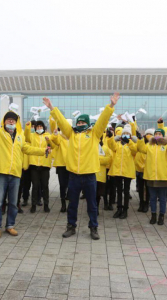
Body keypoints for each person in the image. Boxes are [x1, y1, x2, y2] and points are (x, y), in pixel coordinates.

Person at [43, 93, 119, 240]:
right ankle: (71, 226)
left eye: (82, 123)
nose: (80, 125)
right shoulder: (71, 134)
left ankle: (93, 227)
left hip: (90, 175)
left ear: (88, 123)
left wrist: (111, 106)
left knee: (92, 204)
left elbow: (103, 120)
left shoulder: (94, 134)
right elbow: (62, 121)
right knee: (72, 203)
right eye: (78, 123)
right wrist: (51, 108)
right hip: (74, 176)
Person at [0, 106, 47, 238]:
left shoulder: (20, 136)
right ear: (4, 121)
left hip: (15, 174)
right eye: (8, 120)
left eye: (13, 120)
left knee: (13, 203)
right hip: (0, 173)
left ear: (16, 122)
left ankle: (10, 225)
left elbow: (27, 149)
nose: (11, 122)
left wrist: (43, 151)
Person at [137, 120, 167, 226]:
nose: (157, 135)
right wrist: (140, 138)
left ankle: (161, 216)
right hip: (151, 176)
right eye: (156, 134)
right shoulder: (150, 146)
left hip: (164, 177)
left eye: (159, 134)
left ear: (163, 136)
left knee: (162, 198)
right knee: (152, 198)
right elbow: (141, 148)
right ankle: (153, 215)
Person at [107, 124, 137, 219]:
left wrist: (130, 142)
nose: (126, 135)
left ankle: (125, 210)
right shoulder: (118, 145)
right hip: (118, 171)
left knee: (126, 191)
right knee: (119, 191)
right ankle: (119, 209)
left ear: (130, 135)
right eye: (124, 134)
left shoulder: (132, 144)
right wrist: (111, 137)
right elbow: (111, 145)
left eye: (128, 134)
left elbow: (135, 151)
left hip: (127, 171)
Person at [25, 120, 52, 213]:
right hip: (34, 165)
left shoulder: (48, 136)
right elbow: (26, 136)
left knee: (45, 186)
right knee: (35, 186)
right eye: (37, 127)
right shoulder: (32, 136)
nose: (39, 128)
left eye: (41, 127)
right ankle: (33, 205)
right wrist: (28, 127)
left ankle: (46, 204)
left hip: (45, 165)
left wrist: (50, 141)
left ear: (44, 127)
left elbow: (53, 146)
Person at [49, 126, 70, 213]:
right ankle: (63, 204)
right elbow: (55, 141)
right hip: (61, 165)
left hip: (71, 166)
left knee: (71, 185)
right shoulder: (60, 138)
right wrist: (55, 134)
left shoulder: (73, 138)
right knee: (62, 185)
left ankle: (70, 204)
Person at [135, 128, 153, 213]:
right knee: (140, 188)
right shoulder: (142, 144)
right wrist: (140, 139)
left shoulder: (152, 146)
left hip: (148, 170)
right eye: (147, 134)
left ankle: (146, 203)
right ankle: (141, 203)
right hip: (139, 170)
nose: (148, 135)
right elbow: (139, 147)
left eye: (151, 134)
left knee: (148, 188)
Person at [96, 136, 112, 214]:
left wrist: (98, 160)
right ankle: (93, 207)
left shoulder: (105, 148)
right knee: (91, 193)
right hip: (91, 173)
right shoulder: (90, 147)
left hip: (101, 174)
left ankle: (96, 207)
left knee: (99, 193)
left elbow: (109, 159)